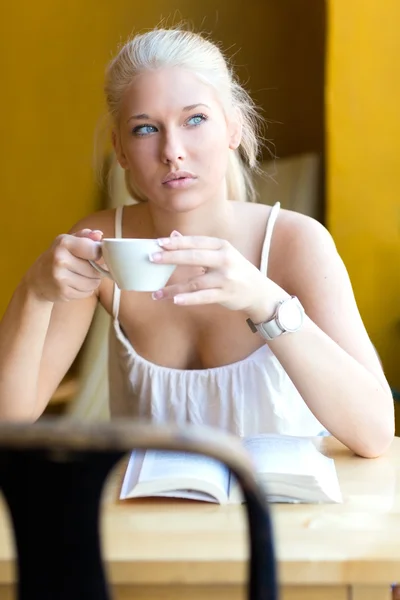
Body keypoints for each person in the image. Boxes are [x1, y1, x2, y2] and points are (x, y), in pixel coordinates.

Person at [0, 27, 394, 457]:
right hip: (151, 517)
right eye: (146, 129)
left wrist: (264, 300)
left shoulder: (295, 243)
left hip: (285, 518)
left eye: (195, 119)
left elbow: (374, 434)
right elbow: (8, 423)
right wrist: (34, 293)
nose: (173, 151)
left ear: (233, 128)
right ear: (121, 149)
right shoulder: (101, 245)